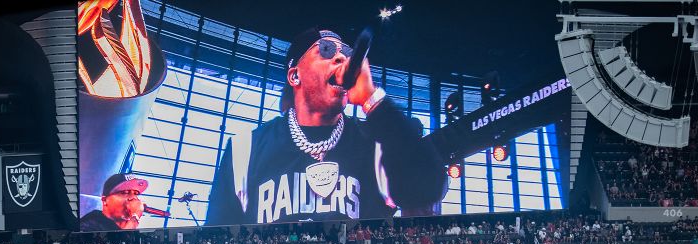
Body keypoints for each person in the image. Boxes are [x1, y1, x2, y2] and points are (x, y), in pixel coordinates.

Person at [206, 27, 446, 225]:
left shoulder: (373, 143)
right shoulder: (245, 149)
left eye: (347, 53)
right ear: (295, 76)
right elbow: (216, 234)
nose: (342, 58)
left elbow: (427, 189)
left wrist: (371, 99)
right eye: (326, 49)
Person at [80, 173, 148, 231]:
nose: (133, 198)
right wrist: (135, 218)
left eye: (136, 193)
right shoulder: (92, 222)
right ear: (105, 200)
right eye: (124, 192)